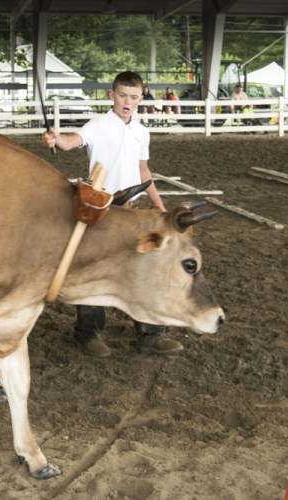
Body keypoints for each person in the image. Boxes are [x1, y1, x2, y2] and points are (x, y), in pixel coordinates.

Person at [42, 70, 183, 358]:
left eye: (133, 97)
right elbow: (71, 142)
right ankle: (88, 334)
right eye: (122, 96)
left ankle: (151, 334)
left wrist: (161, 207)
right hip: (102, 208)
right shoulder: (99, 125)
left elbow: (144, 172)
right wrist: (56, 139)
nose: (126, 102)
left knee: (145, 268)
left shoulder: (141, 132)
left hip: (134, 209)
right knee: (97, 270)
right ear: (112, 95)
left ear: (141, 98)